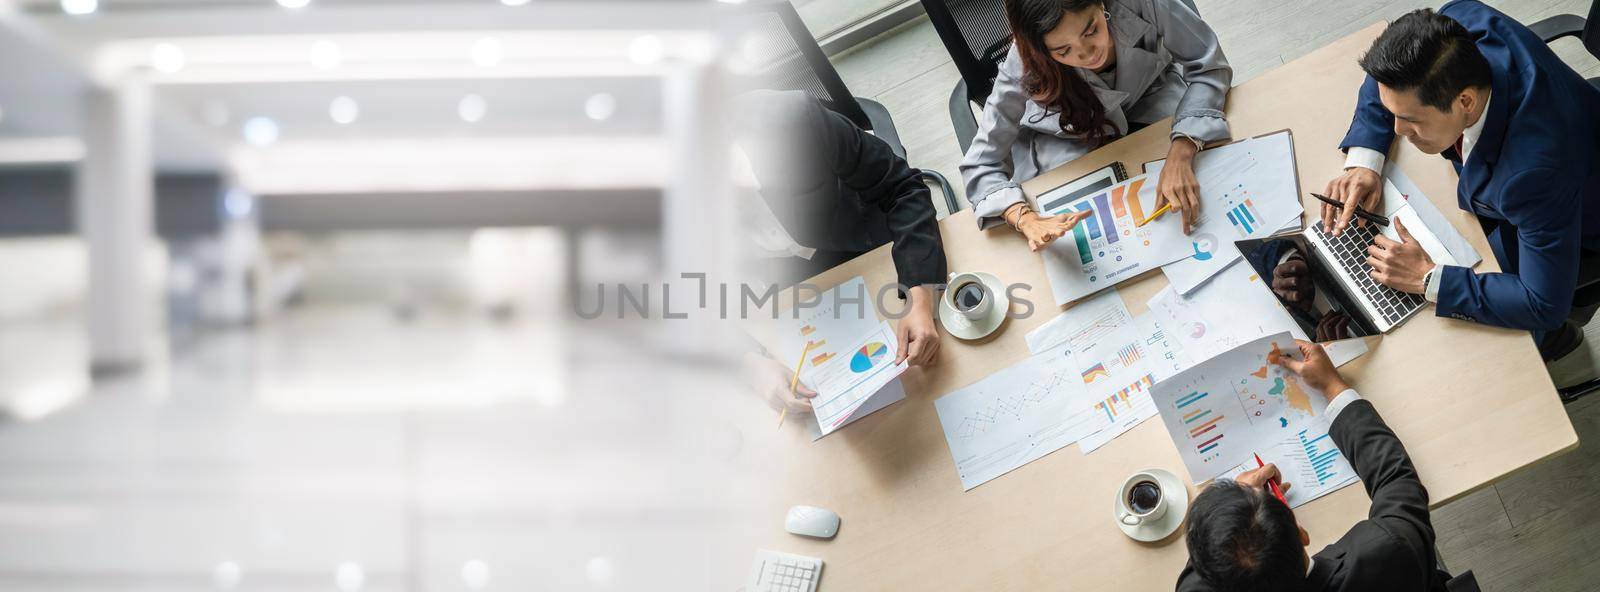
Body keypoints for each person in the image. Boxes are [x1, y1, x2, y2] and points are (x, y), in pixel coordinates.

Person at [1323, 2, 1600, 371]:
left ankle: (1552, 346)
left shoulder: (1532, 178)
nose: (1398, 132)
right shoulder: (1459, 21)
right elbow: (1386, 81)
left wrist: (1427, 278)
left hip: (1573, 221)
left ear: (1465, 101)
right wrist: (1366, 159)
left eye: (1410, 120)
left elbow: (1544, 304)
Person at [732, 91, 948, 414]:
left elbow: (902, 188)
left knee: (928, 387)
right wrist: (747, 361)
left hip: (861, 249)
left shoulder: (790, 118)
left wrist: (920, 296)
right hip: (777, 293)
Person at [1177, 340, 1452, 591]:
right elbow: (1396, 482)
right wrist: (1333, 386)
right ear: (1301, 534)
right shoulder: (1390, 552)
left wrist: (1226, 516)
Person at [962, 0, 1232, 249]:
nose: (1088, 54)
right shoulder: (1022, 61)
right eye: (1063, 50)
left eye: (1091, 30)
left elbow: (1209, 66)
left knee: (1212, 180)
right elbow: (981, 163)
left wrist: (1183, 149)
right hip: (1069, 134)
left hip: (1150, 94)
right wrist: (1022, 218)